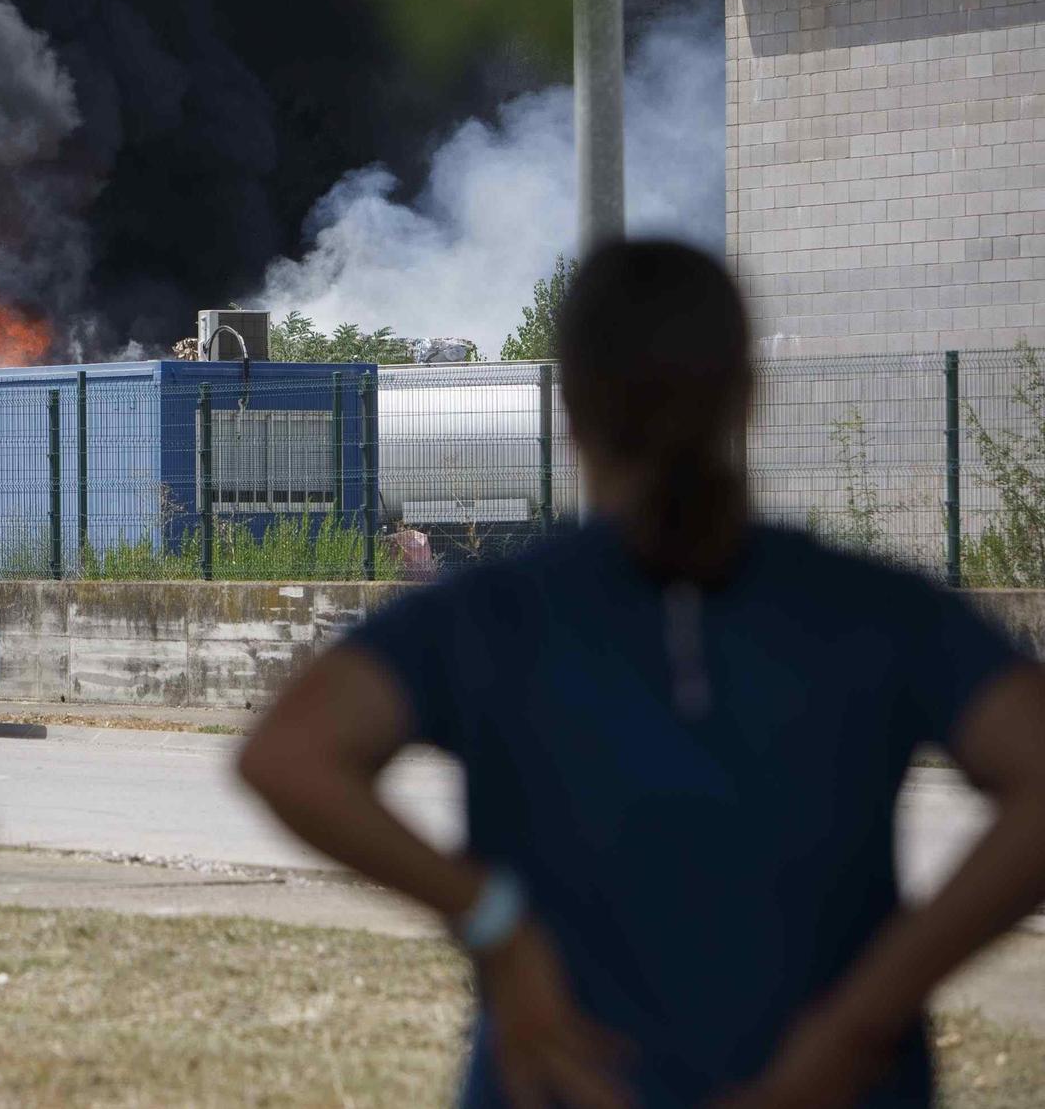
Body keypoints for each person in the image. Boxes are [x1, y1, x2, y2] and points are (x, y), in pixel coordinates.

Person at [239, 239, 1045, 1109]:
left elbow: (288, 754)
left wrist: (494, 923)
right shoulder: (876, 609)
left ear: (573, 409)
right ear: (746, 394)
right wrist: (864, 1018)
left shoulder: (497, 615)